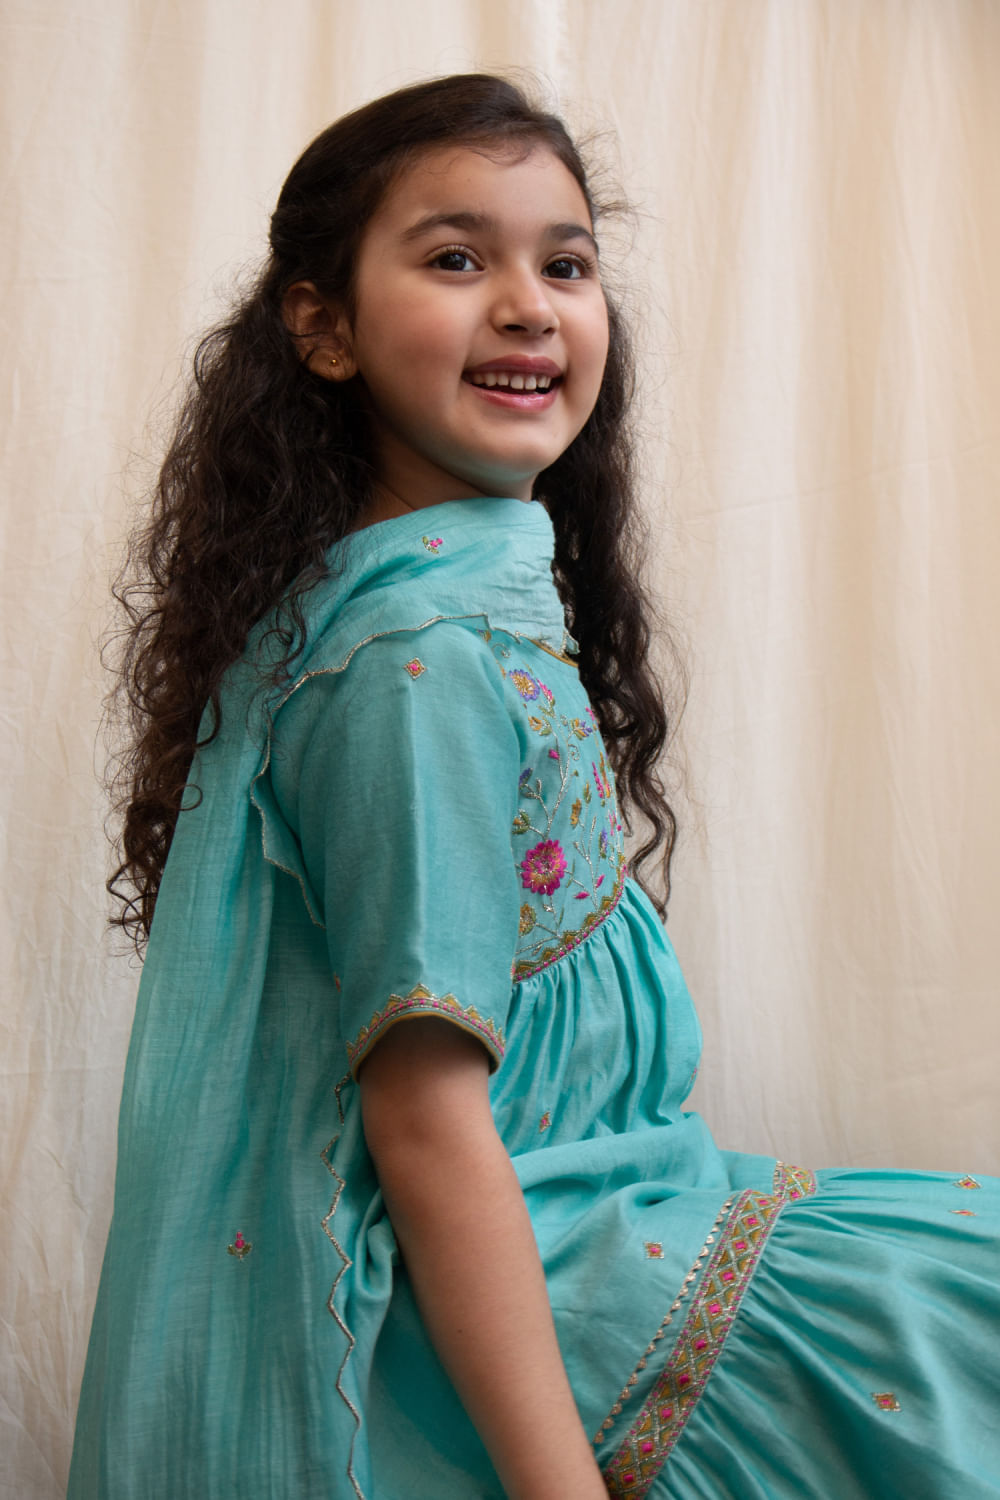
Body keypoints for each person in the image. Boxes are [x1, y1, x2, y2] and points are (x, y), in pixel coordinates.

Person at [69, 74, 999, 1500]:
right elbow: (426, 1122)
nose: (528, 305)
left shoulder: (451, 607)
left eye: (566, 264)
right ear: (321, 326)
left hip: (623, 1206)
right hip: (537, 1292)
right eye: (457, 259)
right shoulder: (415, 665)